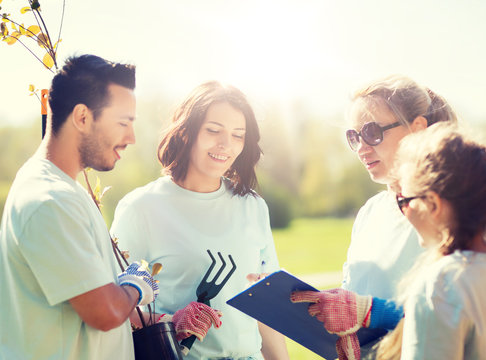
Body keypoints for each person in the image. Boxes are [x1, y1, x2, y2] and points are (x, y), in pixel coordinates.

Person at [111, 81, 290, 360]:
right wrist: (169, 321)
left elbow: (265, 309)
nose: (225, 145)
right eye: (213, 130)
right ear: (185, 132)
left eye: (238, 135)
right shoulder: (141, 208)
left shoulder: (252, 207)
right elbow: (112, 306)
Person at [0, 54, 160, 359]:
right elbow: (105, 312)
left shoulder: (65, 191)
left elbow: (86, 301)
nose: (132, 137)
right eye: (123, 123)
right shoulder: (50, 200)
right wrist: (137, 285)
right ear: (82, 117)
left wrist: (150, 318)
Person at [291, 75, 458, 359]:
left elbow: (461, 316)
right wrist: (338, 309)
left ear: (417, 128)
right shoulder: (370, 211)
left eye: (372, 132)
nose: (361, 148)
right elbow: (355, 293)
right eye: (354, 136)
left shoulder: (458, 209)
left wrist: (368, 311)